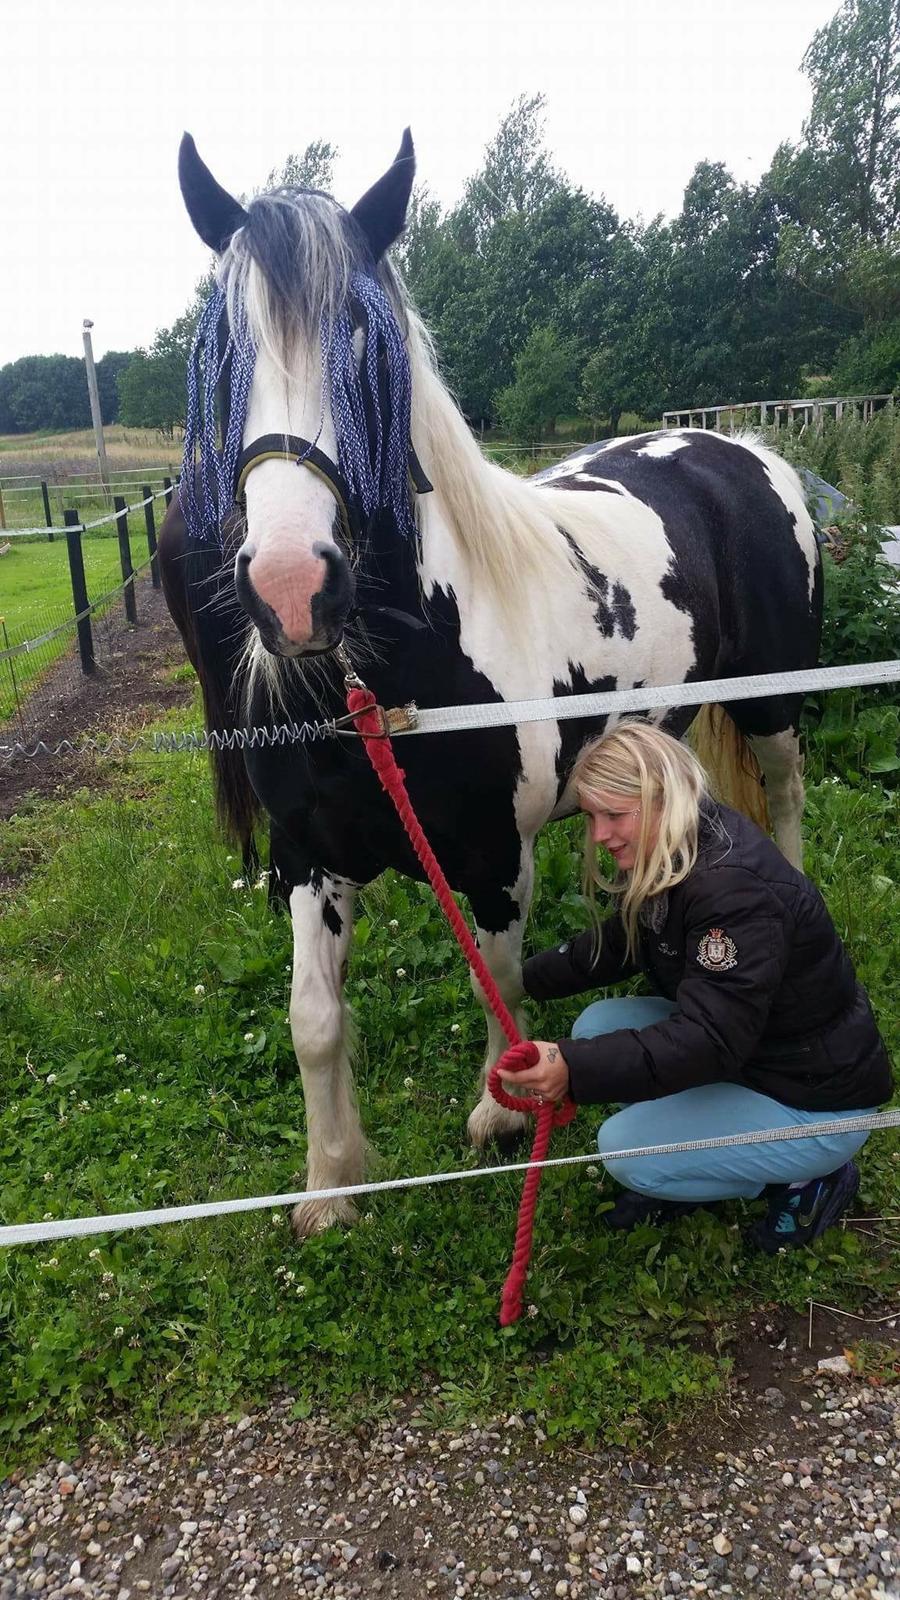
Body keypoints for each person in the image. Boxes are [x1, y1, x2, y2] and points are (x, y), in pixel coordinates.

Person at [503, 721, 893, 1251]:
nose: (599, 834)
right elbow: (623, 941)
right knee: (598, 1025)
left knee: (623, 1149)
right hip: (763, 1054)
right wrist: (517, 981)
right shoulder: (683, 844)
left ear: (665, 799)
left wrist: (574, 1066)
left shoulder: (732, 893)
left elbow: (708, 1041)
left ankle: (811, 1178)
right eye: (592, 815)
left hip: (816, 1100)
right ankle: (693, 1159)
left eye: (615, 815)